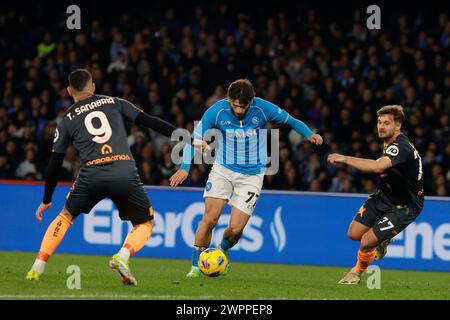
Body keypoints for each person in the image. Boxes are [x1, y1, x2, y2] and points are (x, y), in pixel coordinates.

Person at [26, 69, 178, 285]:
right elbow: (150, 121)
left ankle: (37, 267)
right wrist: (185, 137)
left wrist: (46, 199)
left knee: (65, 216)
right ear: (93, 87)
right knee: (146, 223)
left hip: (91, 175)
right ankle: (122, 256)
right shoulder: (115, 102)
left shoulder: (67, 119)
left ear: (70, 91)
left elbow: (54, 165)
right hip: (123, 171)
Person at [169, 79, 323, 277]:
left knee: (235, 229)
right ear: (228, 99)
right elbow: (194, 140)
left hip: (252, 175)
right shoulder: (216, 111)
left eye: (243, 106)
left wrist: (309, 134)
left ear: (251, 102)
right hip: (223, 170)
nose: (239, 110)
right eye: (235, 105)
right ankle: (195, 266)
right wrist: (184, 167)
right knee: (209, 219)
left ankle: (221, 251)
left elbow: (291, 120)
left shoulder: (263, 108)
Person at [328, 105, 424, 284]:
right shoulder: (388, 142)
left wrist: (345, 158)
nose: (381, 126)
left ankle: (356, 273)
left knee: (366, 241)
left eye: (387, 123)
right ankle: (382, 240)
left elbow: (377, 166)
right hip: (384, 195)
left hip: (405, 205)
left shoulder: (401, 147)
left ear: (398, 126)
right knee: (353, 233)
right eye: (379, 122)